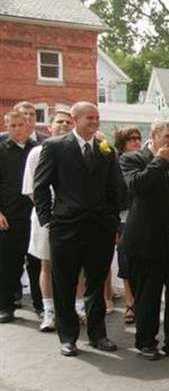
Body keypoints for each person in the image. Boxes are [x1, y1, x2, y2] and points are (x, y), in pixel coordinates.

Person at [32, 102, 126, 356]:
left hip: (100, 228)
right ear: (75, 119)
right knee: (64, 283)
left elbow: (115, 189)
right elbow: (40, 187)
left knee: (96, 283)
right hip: (65, 226)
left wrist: (114, 221)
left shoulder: (106, 151)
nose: (95, 122)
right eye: (90, 118)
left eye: (97, 118)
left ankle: (98, 335)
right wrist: (47, 220)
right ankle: (68, 337)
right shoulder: (55, 147)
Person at [120, 121, 169, 361]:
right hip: (145, 241)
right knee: (148, 295)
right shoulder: (133, 159)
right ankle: (146, 341)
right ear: (153, 137)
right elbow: (137, 187)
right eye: (167, 137)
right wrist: (159, 160)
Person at [21, 110, 74, 331]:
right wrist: (49, 213)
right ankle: (49, 311)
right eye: (59, 121)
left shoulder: (77, 151)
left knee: (77, 265)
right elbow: (32, 189)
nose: (63, 125)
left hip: (74, 217)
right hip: (47, 216)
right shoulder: (37, 152)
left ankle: (78, 307)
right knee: (46, 263)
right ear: (49, 127)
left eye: (68, 122)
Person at [0, 110, 37, 324]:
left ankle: (42, 306)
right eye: (12, 126)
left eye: (20, 125)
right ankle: (6, 306)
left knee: (37, 264)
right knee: (8, 264)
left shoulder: (38, 149)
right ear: (6, 126)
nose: (16, 129)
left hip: (33, 215)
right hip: (9, 217)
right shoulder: (1, 149)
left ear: (28, 124)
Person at [111, 127, 142, 324]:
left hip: (143, 219)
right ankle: (130, 303)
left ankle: (140, 302)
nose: (136, 142)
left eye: (138, 138)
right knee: (126, 263)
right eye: (131, 139)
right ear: (122, 142)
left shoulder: (145, 160)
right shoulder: (114, 163)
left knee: (142, 263)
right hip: (123, 218)